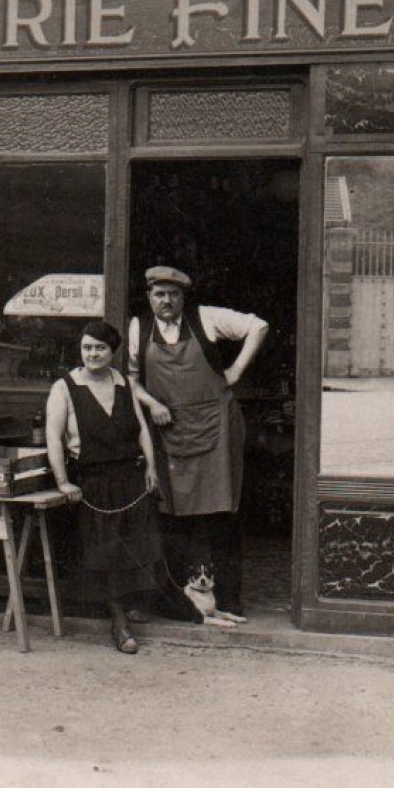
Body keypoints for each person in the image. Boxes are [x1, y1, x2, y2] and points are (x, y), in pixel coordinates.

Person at [128, 265, 268, 618]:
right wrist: (152, 403)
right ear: (149, 297)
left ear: (183, 296)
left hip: (216, 430)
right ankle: (179, 604)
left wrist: (235, 371)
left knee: (222, 516)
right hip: (169, 432)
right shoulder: (137, 328)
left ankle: (229, 601)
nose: (167, 301)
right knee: (173, 518)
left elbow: (258, 325)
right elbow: (129, 379)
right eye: (159, 294)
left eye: (173, 294)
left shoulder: (206, 318)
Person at [45, 320, 166, 654]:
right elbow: (53, 438)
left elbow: (143, 429)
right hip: (92, 482)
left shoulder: (125, 383)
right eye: (86, 348)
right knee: (105, 554)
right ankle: (118, 624)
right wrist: (63, 481)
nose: (92, 354)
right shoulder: (65, 387)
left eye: (99, 348)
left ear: (113, 352)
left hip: (130, 479)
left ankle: (129, 608)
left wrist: (151, 467)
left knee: (135, 547)